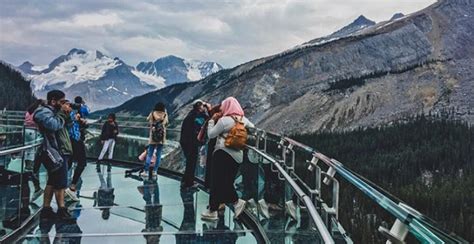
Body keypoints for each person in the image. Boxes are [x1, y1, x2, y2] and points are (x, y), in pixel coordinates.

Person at [201, 97, 254, 221]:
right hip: (238, 156)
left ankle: (214, 210)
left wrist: (211, 122)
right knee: (227, 182)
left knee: (216, 182)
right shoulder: (243, 120)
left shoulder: (224, 121)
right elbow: (253, 128)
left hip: (222, 153)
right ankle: (234, 203)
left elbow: (211, 134)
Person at [33, 90, 73, 220]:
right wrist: (62, 113)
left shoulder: (55, 113)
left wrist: (67, 115)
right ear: (53, 101)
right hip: (55, 151)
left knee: (52, 181)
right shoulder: (42, 112)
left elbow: (66, 125)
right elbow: (53, 125)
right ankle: (61, 210)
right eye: (62, 102)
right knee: (61, 183)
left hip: (59, 150)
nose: (63, 104)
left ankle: (46, 209)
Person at [179, 100, 209, 189]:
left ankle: (186, 181)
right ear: (199, 108)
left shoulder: (191, 115)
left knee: (190, 162)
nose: (204, 108)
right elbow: (207, 119)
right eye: (203, 106)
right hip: (191, 143)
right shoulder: (196, 117)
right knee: (191, 163)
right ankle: (188, 183)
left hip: (186, 142)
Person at [65, 104, 88, 202]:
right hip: (75, 140)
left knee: (69, 163)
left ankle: (64, 187)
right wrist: (76, 119)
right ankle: (72, 186)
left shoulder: (70, 115)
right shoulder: (72, 115)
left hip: (71, 141)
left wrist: (80, 121)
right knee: (82, 163)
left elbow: (84, 125)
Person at [24, 99, 45, 202]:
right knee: (33, 153)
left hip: (26, 131)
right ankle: (37, 186)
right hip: (34, 132)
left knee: (28, 151)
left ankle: (28, 166)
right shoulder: (39, 111)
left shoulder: (29, 110)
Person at [142, 102, 168, 177]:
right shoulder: (165, 114)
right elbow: (166, 122)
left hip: (153, 136)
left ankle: (146, 171)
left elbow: (148, 120)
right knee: (159, 154)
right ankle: (155, 171)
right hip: (161, 137)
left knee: (150, 154)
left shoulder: (153, 113)